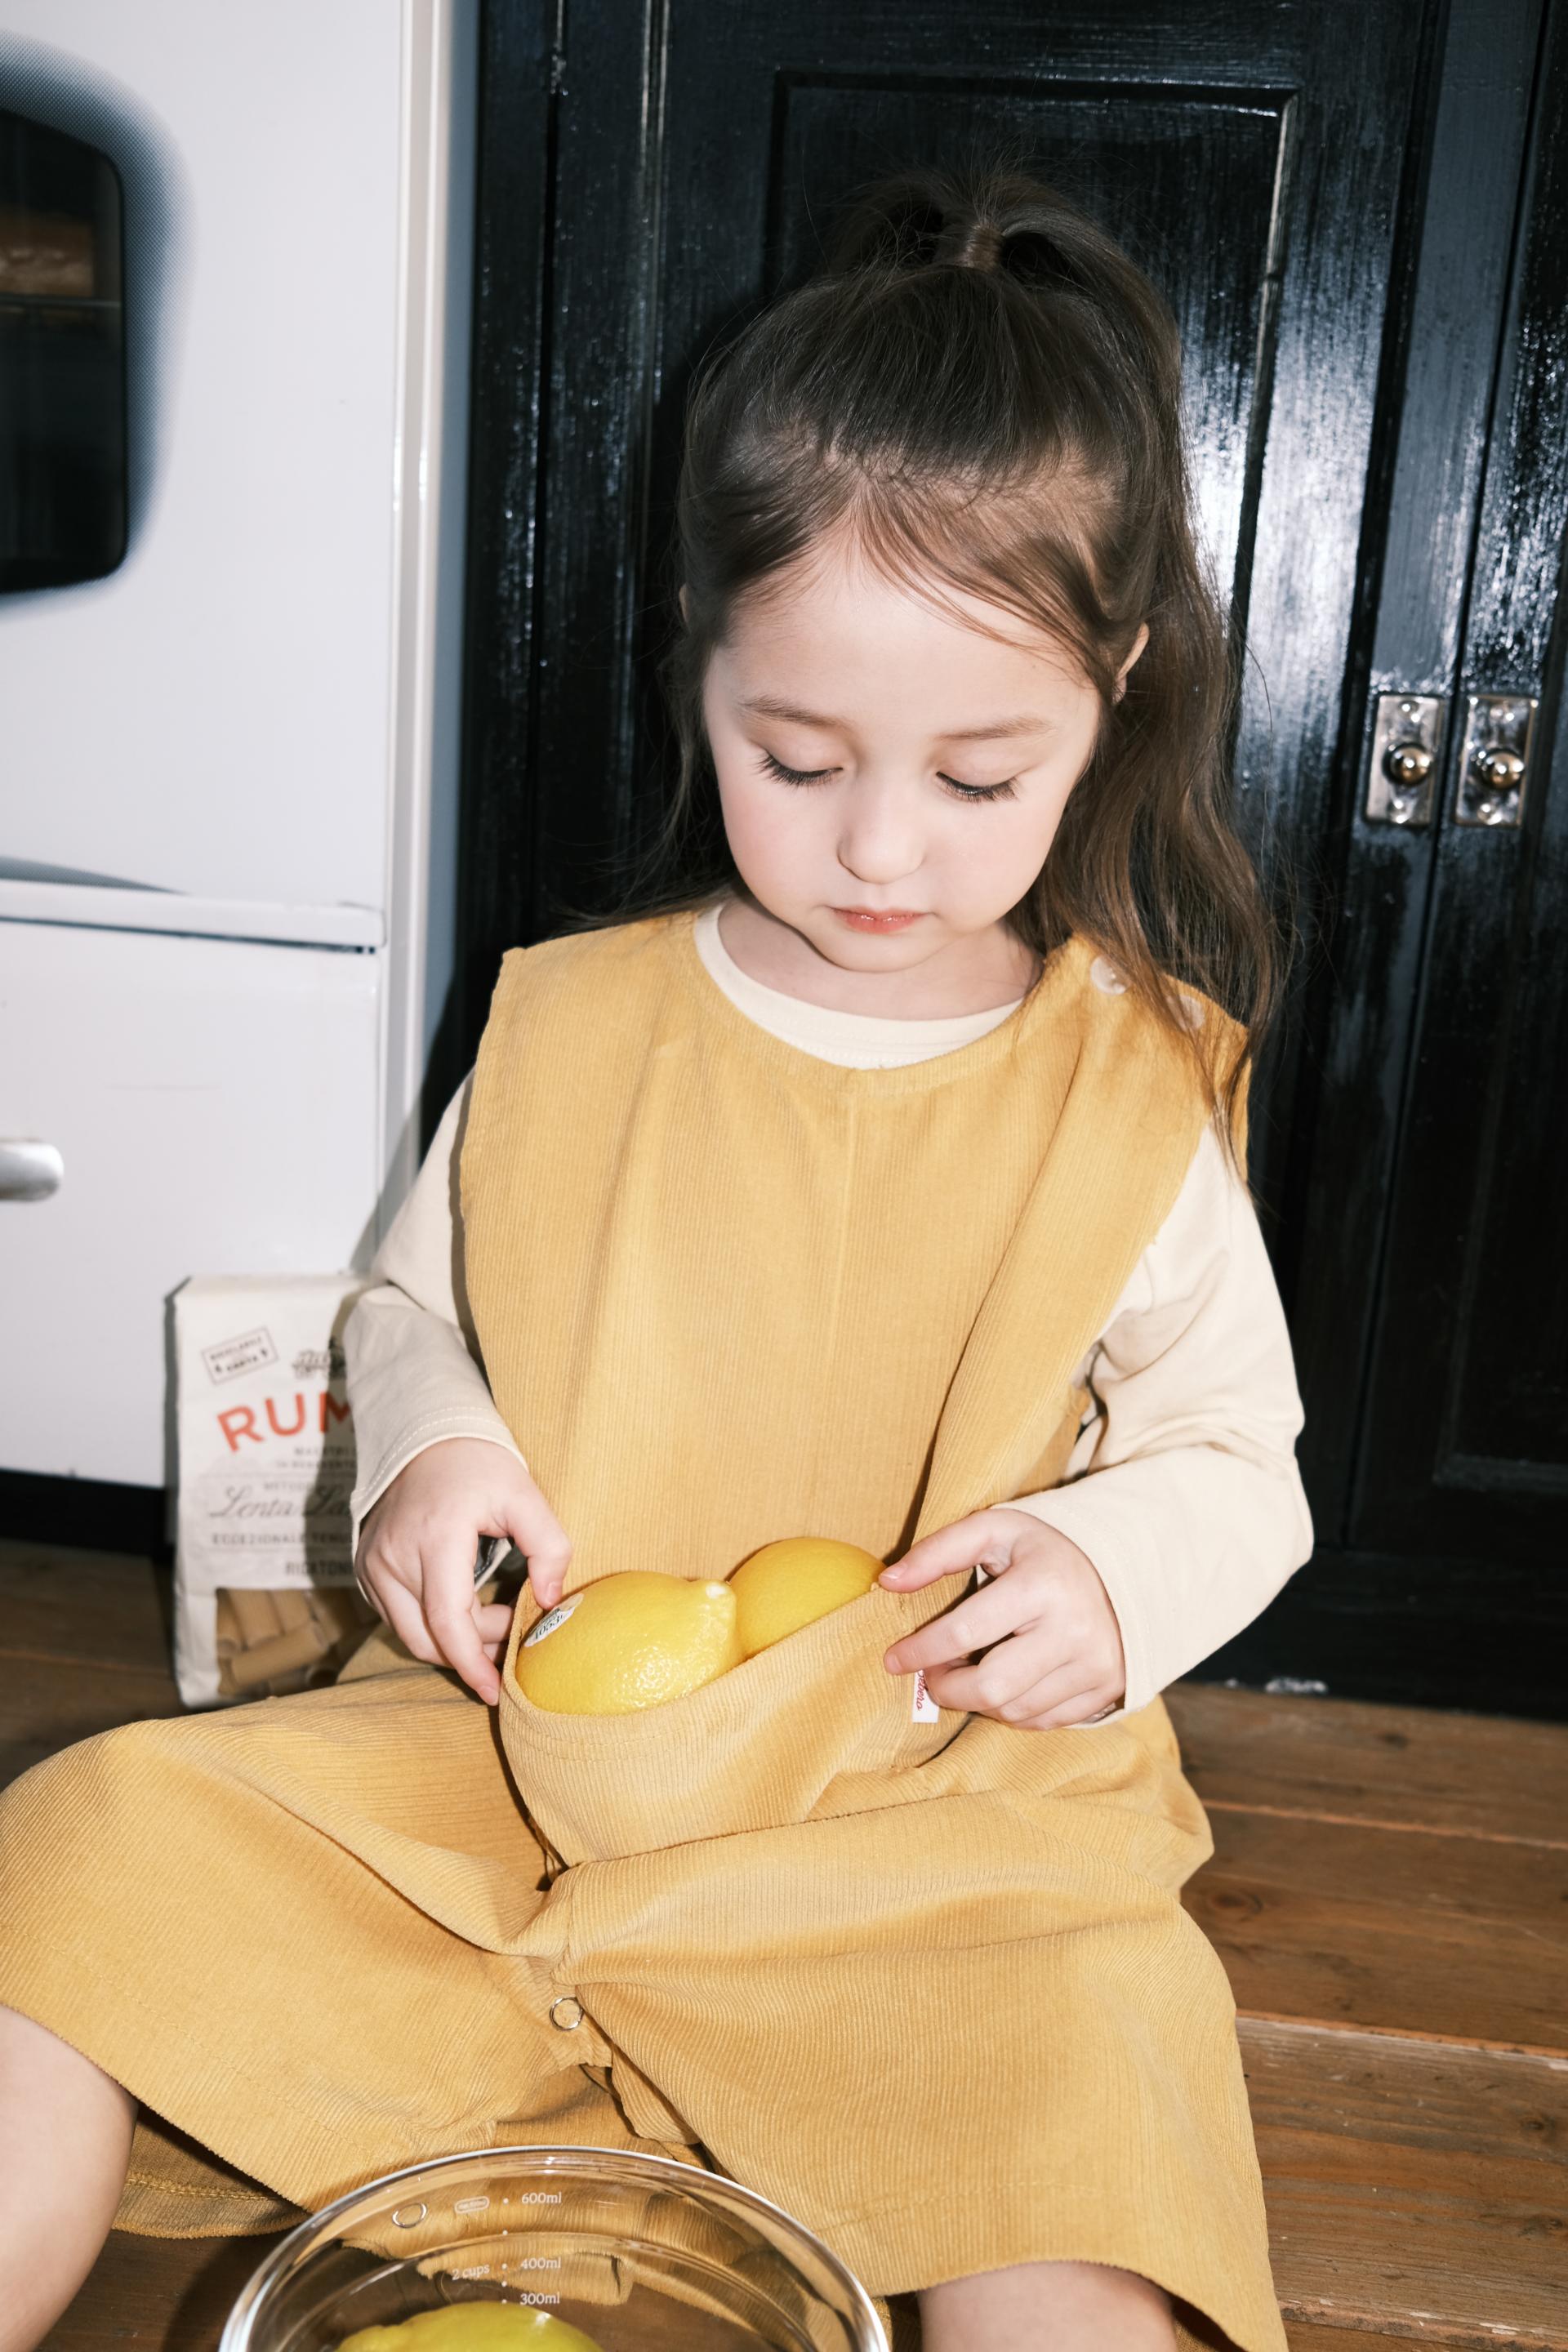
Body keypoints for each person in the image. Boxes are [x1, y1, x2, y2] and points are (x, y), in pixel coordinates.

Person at [0, 167, 1312, 2352]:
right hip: (508, 1769)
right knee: (85, 1848)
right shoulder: (572, 1023)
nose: (878, 845)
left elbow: (1236, 1458)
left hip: (931, 1820)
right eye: (795, 758)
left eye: (980, 777)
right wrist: (431, 1452)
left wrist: (1111, 1576)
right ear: (702, 658)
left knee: (1072, 2118)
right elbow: (411, 1310)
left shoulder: (1128, 1091)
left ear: (1116, 694)